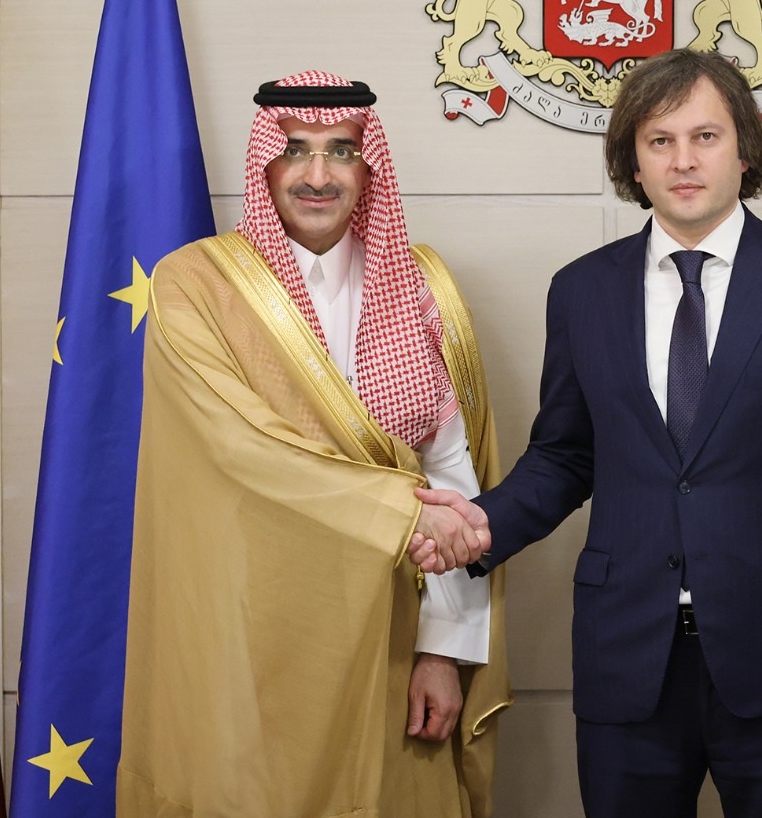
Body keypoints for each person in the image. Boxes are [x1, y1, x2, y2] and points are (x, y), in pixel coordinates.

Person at [416, 48, 762, 817]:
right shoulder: (581, 290)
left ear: (744, 150)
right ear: (633, 163)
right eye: (659, 141)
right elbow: (566, 457)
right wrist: (479, 525)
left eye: (705, 137)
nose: (683, 161)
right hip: (626, 658)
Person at [118, 71, 508, 818]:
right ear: (265, 164)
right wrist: (403, 511)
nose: (318, 175)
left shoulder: (422, 286)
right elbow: (244, 451)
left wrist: (443, 650)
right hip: (250, 628)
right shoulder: (194, 286)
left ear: (370, 166)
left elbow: (450, 476)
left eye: (342, 151)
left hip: (390, 633)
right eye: (295, 149)